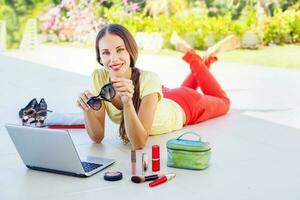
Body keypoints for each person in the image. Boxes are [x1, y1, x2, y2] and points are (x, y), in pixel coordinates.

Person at [77, 24, 240, 150]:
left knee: (223, 102)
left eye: (120, 50)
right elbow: (97, 137)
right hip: (160, 97)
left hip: (184, 105)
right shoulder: (99, 77)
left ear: (131, 51)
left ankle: (194, 57)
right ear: (99, 56)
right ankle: (205, 61)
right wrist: (87, 110)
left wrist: (127, 102)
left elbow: (139, 142)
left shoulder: (149, 79)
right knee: (188, 87)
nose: (113, 59)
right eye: (105, 52)